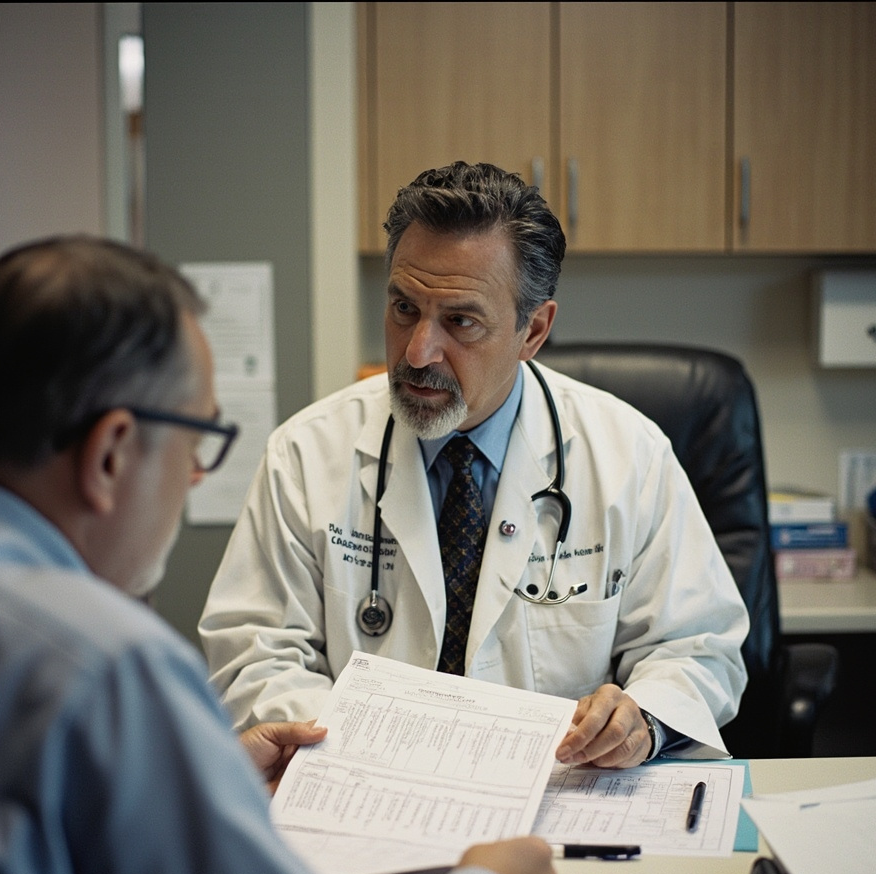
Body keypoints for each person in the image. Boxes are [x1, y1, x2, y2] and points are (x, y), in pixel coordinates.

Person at [0, 236, 557, 874]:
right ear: (112, 454)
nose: (195, 476)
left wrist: (184, 778)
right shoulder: (106, 664)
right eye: (197, 443)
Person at [201, 161, 750, 767]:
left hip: (561, 800)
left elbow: (699, 648)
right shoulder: (305, 455)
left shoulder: (629, 457)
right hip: (367, 790)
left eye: (460, 321)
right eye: (404, 308)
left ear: (533, 329)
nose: (417, 351)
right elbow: (256, 652)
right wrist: (354, 746)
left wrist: (642, 719)